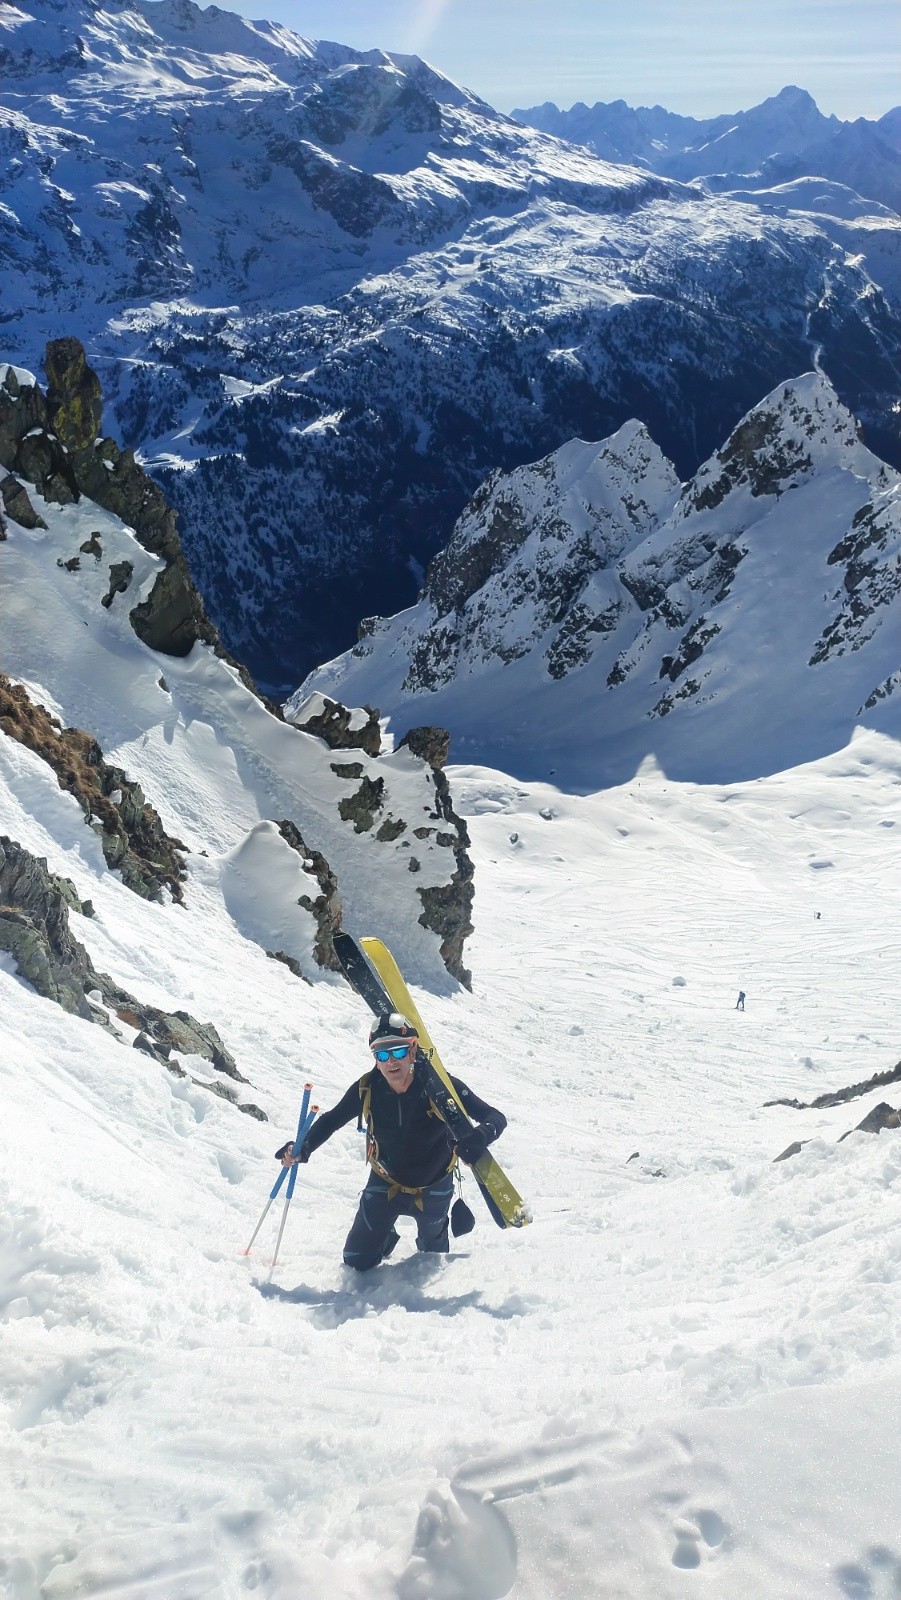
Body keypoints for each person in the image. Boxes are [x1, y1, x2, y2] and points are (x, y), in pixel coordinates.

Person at [275, 1012, 507, 1271]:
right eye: (382, 1054)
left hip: (435, 1185)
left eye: (398, 1051)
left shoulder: (440, 1087)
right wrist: (303, 1147)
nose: (391, 1061)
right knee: (356, 1260)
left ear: (413, 1050)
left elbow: (495, 1117)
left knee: (432, 1259)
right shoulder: (368, 1088)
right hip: (386, 1182)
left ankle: (431, 1229)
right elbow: (331, 1120)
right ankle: (384, 1233)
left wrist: (480, 1136)